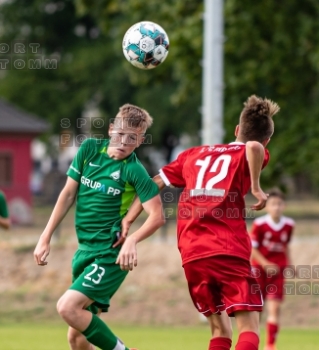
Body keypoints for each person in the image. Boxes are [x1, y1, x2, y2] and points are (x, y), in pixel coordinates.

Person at [118, 95, 280, 350]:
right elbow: (253, 148)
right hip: (228, 249)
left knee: (219, 330)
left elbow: (152, 184)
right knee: (249, 327)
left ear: (236, 129)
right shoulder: (249, 153)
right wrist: (257, 188)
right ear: (267, 139)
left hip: (192, 253)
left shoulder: (192, 154)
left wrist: (129, 218)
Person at [34, 103, 165, 350]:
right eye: (120, 133)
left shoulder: (134, 170)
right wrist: (45, 236)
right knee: (76, 337)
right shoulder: (89, 149)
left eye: (132, 138)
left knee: (67, 307)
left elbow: (157, 216)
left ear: (140, 141)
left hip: (109, 254)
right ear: (111, 128)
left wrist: (132, 240)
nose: (123, 141)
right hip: (84, 251)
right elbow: (67, 195)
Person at [250, 188, 294, 350]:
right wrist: (265, 263)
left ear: (284, 206)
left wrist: (290, 263)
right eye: (273, 204)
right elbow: (252, 249)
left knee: (274, 308)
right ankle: (255, 342)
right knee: (257, 310)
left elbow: (285, 246)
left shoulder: (289, 224)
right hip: (259, 271)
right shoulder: (260, 224)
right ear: (267, 206)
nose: (276, 207)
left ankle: (270, 345)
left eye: (279, 204)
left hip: (278, 271)